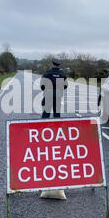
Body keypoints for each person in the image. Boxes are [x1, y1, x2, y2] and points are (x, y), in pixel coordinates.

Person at [39, 58, 68, 200]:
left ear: (52, 64)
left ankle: (43, 132)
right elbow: (66, 87)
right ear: (59, 65)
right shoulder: (62, 74)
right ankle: (56, 133)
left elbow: (42, 87)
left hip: (48, 96)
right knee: (57, 115)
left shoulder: (47, 73)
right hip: (58, 97)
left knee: (45, 115)